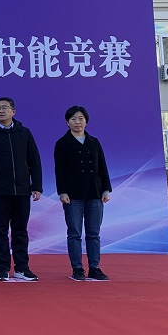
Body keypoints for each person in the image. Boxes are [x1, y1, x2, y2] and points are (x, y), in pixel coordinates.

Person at [0, 96, 42, 282]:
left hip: (22, 191)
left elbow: (34, 160)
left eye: (4, 107)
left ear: (13, 111)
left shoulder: (24, 133)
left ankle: (21, 268)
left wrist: (36, 186)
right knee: (0, 231)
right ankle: (3, 268)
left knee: (20, 231)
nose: (1, 110)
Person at [54, 105, 113, 281]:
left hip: (95, 193)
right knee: (74, 233)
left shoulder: (94, 142)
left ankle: (94, 267)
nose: (77, 122)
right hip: (72, 195)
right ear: (67, 122)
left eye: (80, 118)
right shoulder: (62, 143)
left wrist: (106, 189)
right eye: (73, 119)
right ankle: (77, 268)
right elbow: (59, 171)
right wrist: (62, 192)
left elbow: (102, 166)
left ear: (86, 121)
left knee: (93, 233)